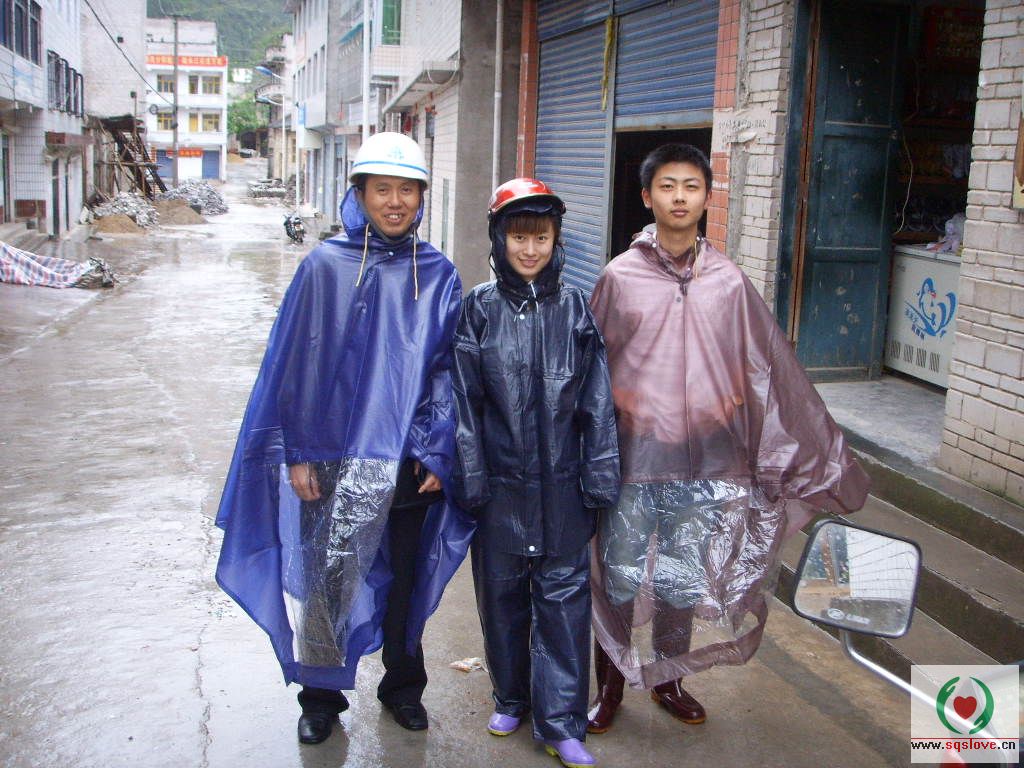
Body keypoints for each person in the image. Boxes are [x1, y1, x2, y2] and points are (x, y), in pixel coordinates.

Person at [586, 143, 870, 733]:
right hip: (635, 461)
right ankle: (608, 688)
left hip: (707, 464)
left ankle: (669, 679)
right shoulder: (619, 277)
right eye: (667, 186)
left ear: (707, 198)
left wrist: (814, 453)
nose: (680, 197)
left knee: (681, 577)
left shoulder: (729, 283)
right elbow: (591, 366)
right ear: (647, 197)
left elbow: (769, 368)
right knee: (617, 574)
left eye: (691, 186)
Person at [214, 132, 473, 745]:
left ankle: (402, 688)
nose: (395, 202)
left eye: (407, 190)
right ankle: (320, 695)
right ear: (359, 193)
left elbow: (448, 370)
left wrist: (436, 448)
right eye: (382, 189)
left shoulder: (437, 275)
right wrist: (299, 453)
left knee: (405, 582)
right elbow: (295, 367)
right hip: (330, 457)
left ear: (422, 197)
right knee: (329, 578)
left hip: (405, 461)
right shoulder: (323, 268)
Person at [452, 178, 620, 768]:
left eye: (541, 238)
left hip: (563, 488)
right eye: (519, 237)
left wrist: (599, 477)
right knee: (501, 598)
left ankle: (562, 722)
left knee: (564, 602)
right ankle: (511, 697)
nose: (530, 249)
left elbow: (597, 402)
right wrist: (471, 476)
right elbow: (464, 401)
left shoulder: (575, 309)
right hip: (499, 487)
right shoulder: (478, 308)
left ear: (555, 241)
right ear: (499, 239)